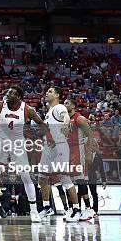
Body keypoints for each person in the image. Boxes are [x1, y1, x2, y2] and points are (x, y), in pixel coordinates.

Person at [0, 86, 47, 223]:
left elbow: (42, 124)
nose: (8, 93)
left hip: (18, 143)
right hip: (0, 140)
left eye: (12, 92)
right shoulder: (0, 105)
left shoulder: (27, 109)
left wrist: (44, 137)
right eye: (8, 91)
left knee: (25, 175)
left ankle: (34, 210)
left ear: (18, 97)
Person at [38, 87, 80, 223]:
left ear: (57, 95)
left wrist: (65, 123)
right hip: (48, 148)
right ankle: (47, 207)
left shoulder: (59, 107)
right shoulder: (49, 112)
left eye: (50, 91)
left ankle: (76, 209)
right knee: (42, 177)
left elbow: (65, 116)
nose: (46, 93)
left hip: (60, 146)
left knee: (64, 178)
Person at [64, 99, 99, 221]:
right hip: (68, 151)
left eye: (67, 103)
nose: (64, 105)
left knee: (81, 180)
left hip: (79, 151)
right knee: (69, 182)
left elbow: (90, 135)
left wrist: (89, 153)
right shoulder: (65, 119)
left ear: (73, 106)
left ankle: (89, 209)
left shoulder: (79, 118)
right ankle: (74, 209)